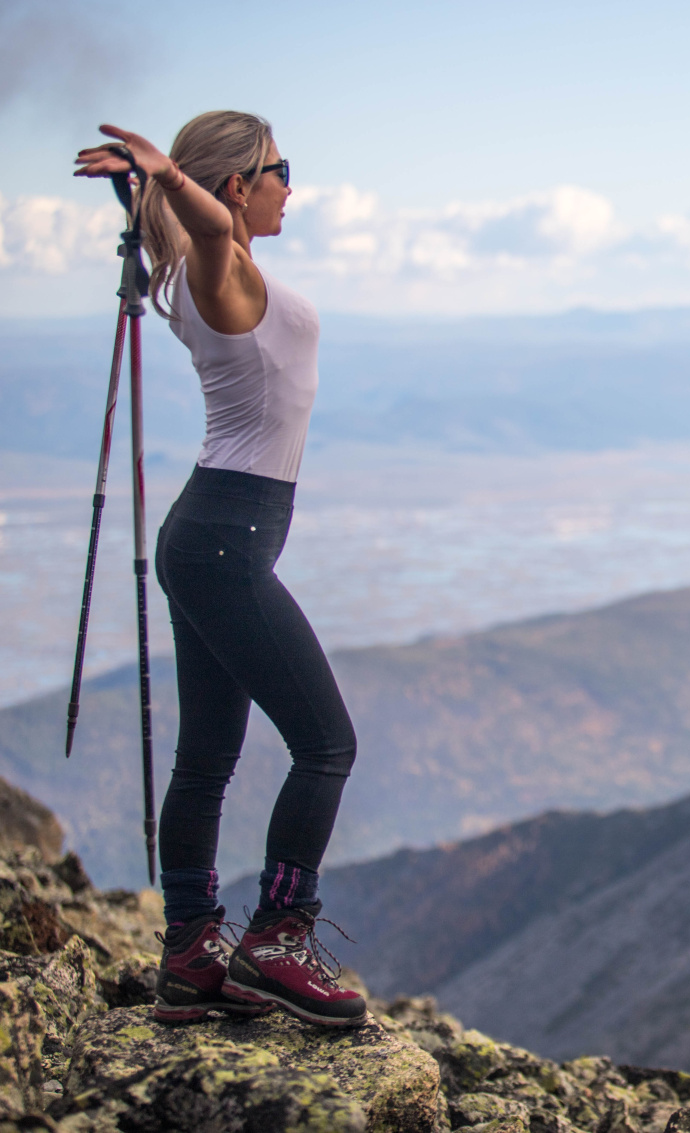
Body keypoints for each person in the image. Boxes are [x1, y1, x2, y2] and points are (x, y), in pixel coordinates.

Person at [74, 113, 365, 1027]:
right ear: (237, 186)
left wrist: (148, 189)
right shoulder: (218, 268)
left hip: (210, 537)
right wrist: (164, 176)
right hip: (226, 542)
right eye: (280, 169)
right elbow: (205, 227)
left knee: (205, 759)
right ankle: (276, 942)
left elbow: (197, 223)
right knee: (327, 744)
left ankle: (191, 952)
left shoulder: (211, 270)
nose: (291, 186)